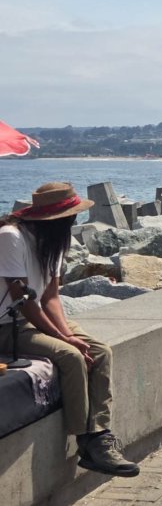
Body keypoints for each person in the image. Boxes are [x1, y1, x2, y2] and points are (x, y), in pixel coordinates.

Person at [0, 182, 140, 477]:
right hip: (7, 324)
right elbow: (23, 300)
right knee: (70, 356)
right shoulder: (10, 238)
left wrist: (69, 334)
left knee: (100, 351)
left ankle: (100, 432)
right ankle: (87, 440)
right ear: (55, 220)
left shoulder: (54, 241)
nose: (75, 222)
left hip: (32, 318)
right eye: (71, 217)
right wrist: (64, 339)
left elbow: (51, 297)